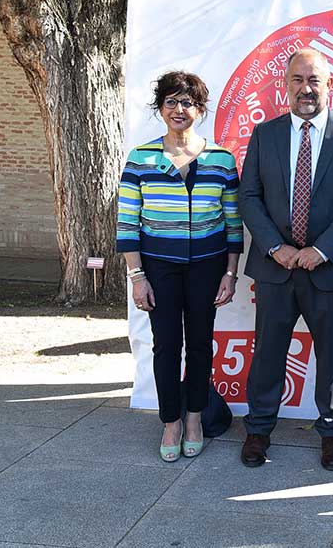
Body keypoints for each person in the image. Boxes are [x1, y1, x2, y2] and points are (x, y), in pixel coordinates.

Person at [238, 49, 333, 470]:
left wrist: (320, 250)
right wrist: (276, 248)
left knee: (332, 355)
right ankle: (259, 430)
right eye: (297, 79)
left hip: (330, 269)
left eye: (314, 80)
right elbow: (249, 197)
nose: (306, 88)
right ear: (285, 85)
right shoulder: (266, 135)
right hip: (276, 269)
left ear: (331, 85)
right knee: (267, 353)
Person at [116, 71, 243, 462]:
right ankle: (170, 420)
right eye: (171, 102)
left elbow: (232, 222)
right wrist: (137, 277)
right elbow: (127, 223)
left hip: (207, 267)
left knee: (202, 344)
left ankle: (194, 418)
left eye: (187, 102)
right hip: (159, 269)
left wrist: (230, 272)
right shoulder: (141, 158)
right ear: (160, 108)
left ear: (200, 109)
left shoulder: (221, 159)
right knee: (166, 346)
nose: (178, 109)